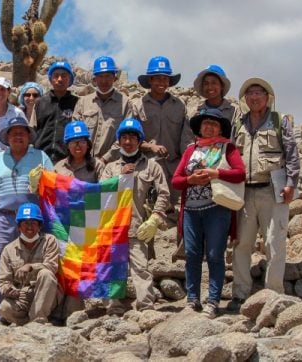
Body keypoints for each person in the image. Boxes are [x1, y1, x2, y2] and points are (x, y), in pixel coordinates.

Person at [228, 78, 300, 311]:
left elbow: (292, 154)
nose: (255, 97)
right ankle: (240, 294)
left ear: (267, 97)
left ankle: (274, 295)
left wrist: (291, 183)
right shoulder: (238, 123)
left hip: (273, 189)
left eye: (259, 93)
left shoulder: (280, 121)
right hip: (245, 191)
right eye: (250, 94)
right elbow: (231, 154)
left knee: (274, 242)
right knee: (242, 244)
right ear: (245, 99)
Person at [171, 108, 246, 318]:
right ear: (200, 127)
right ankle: (192, 299)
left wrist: (216, 173)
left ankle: (213, 301)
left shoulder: (227, 148)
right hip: (192, 211)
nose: (209, 127)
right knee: (193, 255)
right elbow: (176, 180)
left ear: (221, 128)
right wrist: (190, 180)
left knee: (214, 255)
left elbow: (240, 173)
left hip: (217, 210)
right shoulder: (190, 150)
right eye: (206, 123)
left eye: (214, 124)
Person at [0, 116, 53, 322]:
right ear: (7, 136)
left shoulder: (41, 157)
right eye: (13, 132)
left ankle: (36, 309)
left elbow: (55, 187)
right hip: (5, 219)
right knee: (1, 263)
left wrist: (40, 185)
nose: (18, 136)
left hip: (33, 221)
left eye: (22, 132)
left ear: (29, 136)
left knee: (36, 263)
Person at [100, 119, 170, 313]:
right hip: (113, 229)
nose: (128, 141)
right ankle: (113, 307)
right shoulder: (111, 168)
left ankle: (146, 307)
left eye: (132, 137)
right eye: (124, 137)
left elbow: (164, 193)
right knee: (113, 269)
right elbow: (100, 194)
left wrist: (155, 217)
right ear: (119, 141)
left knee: (141, 268)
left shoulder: (152, 166)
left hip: (138, 227)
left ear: (140, 140)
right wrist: (119, 177)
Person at [131, 55, 194, 210]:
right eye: (157, 78)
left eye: (165, 79)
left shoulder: (179, 105)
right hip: (147, 169)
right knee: (148, 211)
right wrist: (150, 147)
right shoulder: (138, 106)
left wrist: (188, 163)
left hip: (175, 169)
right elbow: (130, 139)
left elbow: (186, 138)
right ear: (150, 80)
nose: (162, 82)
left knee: (179, 211)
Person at [0, 203, 60, 325]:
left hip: (46, 294)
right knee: (4, 309)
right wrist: (12, 291)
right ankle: (29, 322)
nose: (29, 227)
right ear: (19, 227)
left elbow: (52, 266)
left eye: (33, 223)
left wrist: (31, 266)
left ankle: (38, 320)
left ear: (40, 226)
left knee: (46, 273)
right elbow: (3, 281)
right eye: (25, 223)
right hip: (23, 297)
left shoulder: (49, 240)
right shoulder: (8, 249)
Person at [73, 56, 131, 163]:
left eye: (108, 76)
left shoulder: (125, 103)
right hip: (84, 163)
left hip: (113, 165)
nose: (104, 81)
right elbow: (75, 133)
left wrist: (106, 158)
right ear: (94, 79)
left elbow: (127, 135)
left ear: (114, 78)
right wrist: (84, 157)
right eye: (100, 76)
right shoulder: (83, 102)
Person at [31, 60, 79, 163]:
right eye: (56, 75)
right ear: (50, 79)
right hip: (40, 159)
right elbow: (32, 130)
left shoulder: (77, 103)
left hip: (67, 162)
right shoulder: (40, 102)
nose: (60, 79)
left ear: (70, 79)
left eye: (64, 75)